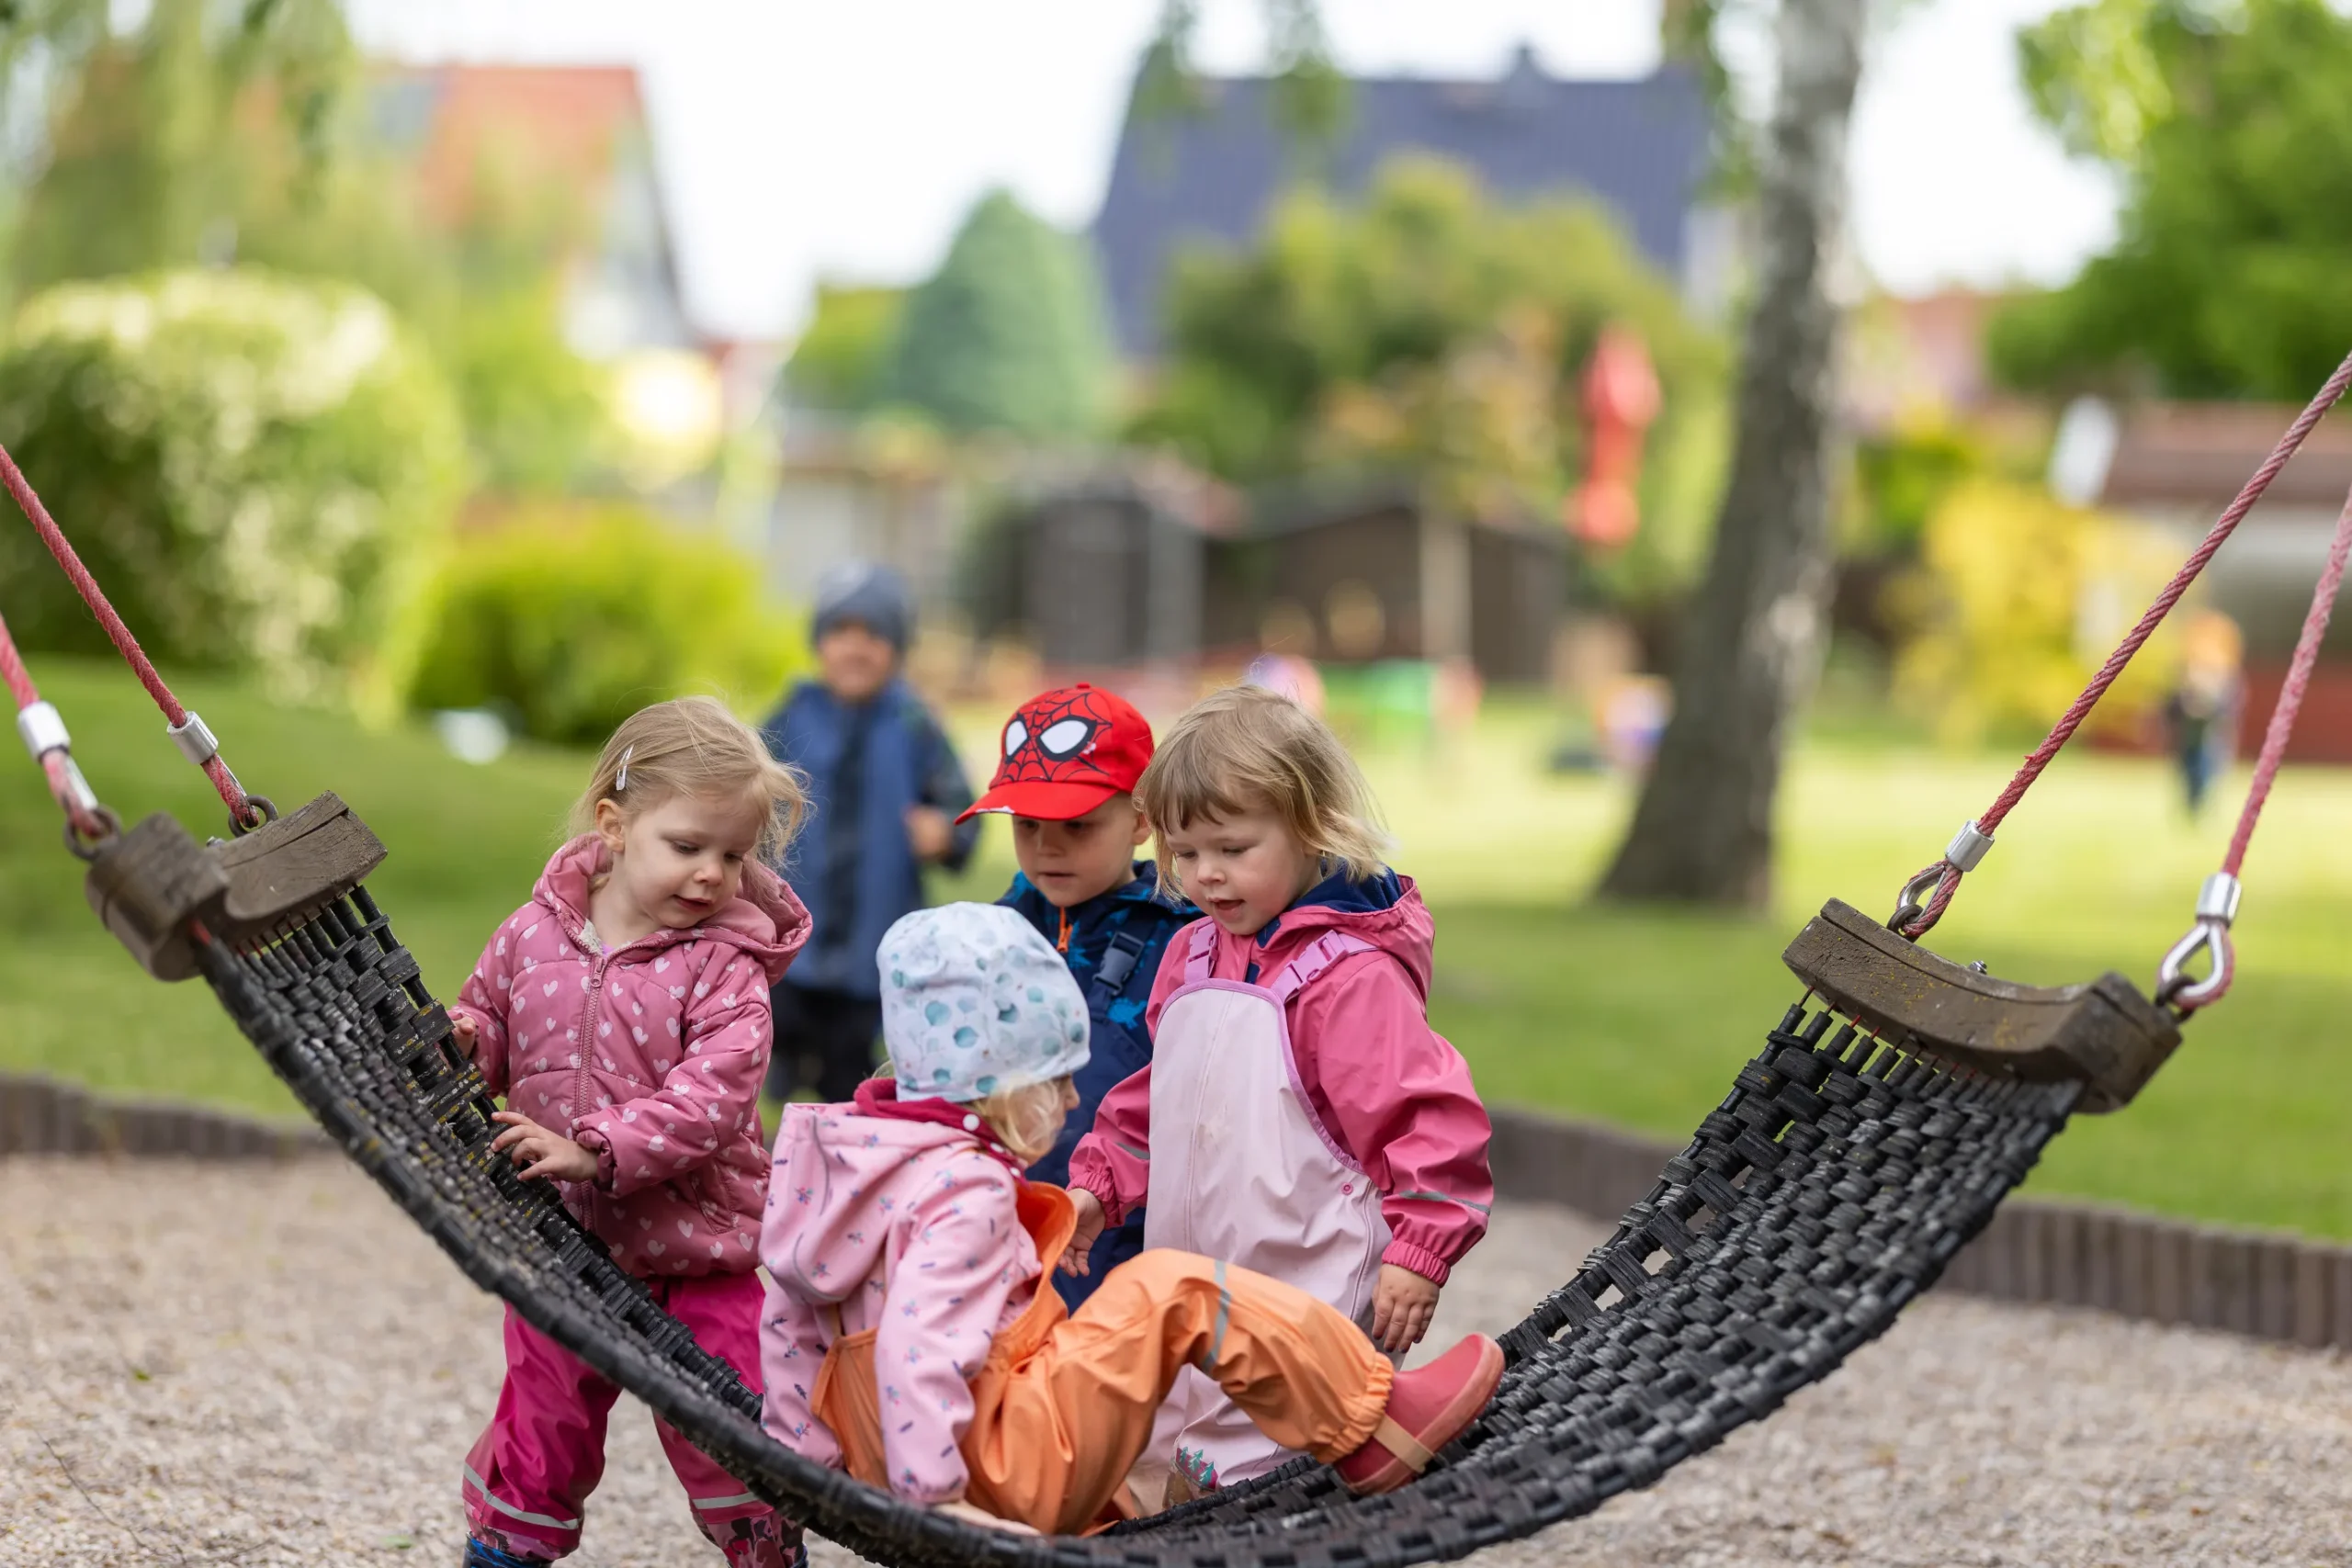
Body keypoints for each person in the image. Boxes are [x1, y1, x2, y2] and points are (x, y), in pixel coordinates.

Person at [758, 903, 1506, 1537]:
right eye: (1057, 1081)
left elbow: (791, 1324)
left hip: (894, 1459)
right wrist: (932, 1505)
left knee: (1117, 1322)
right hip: (981, 1474)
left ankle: (1149, 1483)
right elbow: (919, 1349)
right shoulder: (962, 1188)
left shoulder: (856, 1165)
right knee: (1175, 1289)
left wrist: (809, 1467)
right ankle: (1370, 1427)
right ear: (1004, 1086)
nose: (1073, 1103)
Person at [1066, 684, 1494, 1502]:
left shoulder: (1347, 978)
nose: (1205, 875)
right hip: (1205, 1273)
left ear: (1311, 825)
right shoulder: (1192, 952)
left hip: (1310, 1275)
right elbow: (1154, 1095)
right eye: (1185, 854)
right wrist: (1098, 1184)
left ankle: (1378, 1444)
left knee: (1282, 1472)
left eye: (1232, 848)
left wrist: (1422, 1250)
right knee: (1187, 1446)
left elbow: (1425, 1114)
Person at [447, 698, 811, 1568]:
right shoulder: (530, 934)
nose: (711, 875)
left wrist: (596, 1148)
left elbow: (713, 1099)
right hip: (561, 1244)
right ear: (615, 824)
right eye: (687, 846)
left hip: (698, 1255)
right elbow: (488, 1018)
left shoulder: (726, 964)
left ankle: (764, 1553)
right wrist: (462, 1040)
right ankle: (505, 1553)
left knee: (731, 1437)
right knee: (542, 1426)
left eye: (733, 855)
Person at [957, 682, 1195, 1304]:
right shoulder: (994, 931)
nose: (1047, 846)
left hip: (1129, 1236)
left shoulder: (1184, 936)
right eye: (1027, 824)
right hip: (1000, 1224)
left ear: (1142, 818)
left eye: (1077, 825)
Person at [758, 562, 978, 1106]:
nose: (856, 649)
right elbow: (744, 786)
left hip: (871, 950)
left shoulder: (913, 723)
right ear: (819, 643)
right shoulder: (792, 716)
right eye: (841, 634)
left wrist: (946, 834)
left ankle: (838, 1151)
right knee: (769, 1049)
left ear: (897, 648)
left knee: (848, 1079)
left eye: (873, 636)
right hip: (790, 945)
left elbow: (959, 804)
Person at [2164, 610, 2244, 816]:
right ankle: (2192, 806)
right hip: (2188, 733)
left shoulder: (2223, 672)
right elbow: (2172, 703)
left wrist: (2210, 707)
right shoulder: (2188, 670)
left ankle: (2200, 805)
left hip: (2211, 734)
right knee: (2189, 770)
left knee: (2207, 767)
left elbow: (2230, 704)